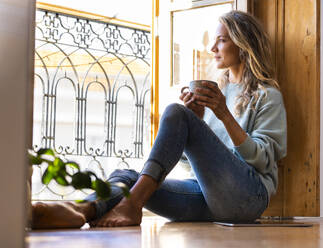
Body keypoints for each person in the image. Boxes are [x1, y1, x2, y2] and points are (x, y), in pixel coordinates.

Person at [32, 10, 287, 229]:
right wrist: (196, 121)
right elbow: (193, 166)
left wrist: (223, 115)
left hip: (247, 198)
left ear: (243, 45)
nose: (212, 49)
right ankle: (82, 210)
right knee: (127, 175)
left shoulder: (267, 96)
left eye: (221, 40)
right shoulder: (216, 94)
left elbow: (263, 160)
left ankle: (132, 205)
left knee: (176, 113)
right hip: (206, 198)